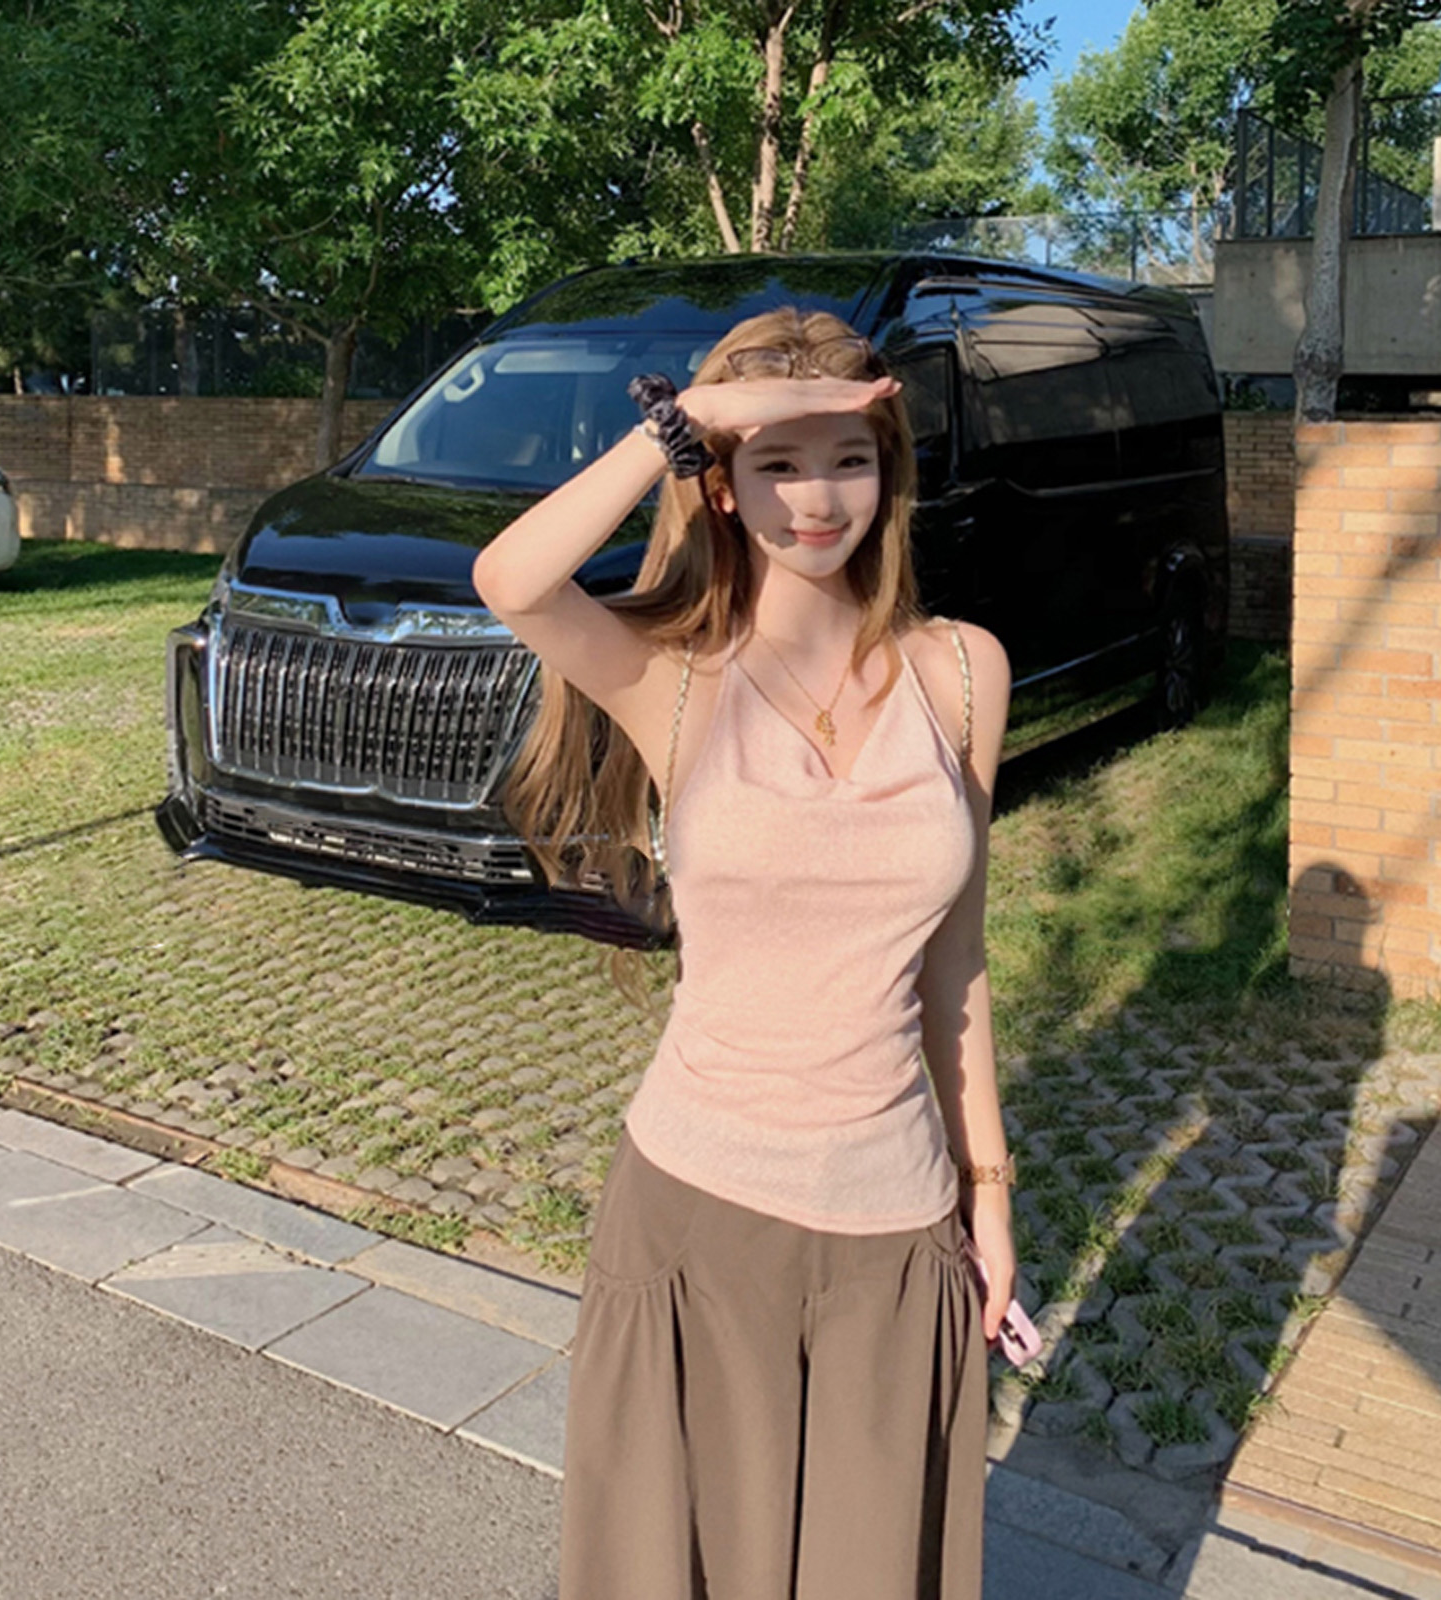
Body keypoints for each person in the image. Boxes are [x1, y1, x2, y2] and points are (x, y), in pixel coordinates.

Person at [471, 307, 1016, 1600]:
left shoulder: (963, 674)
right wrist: (690, 422)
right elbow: (513, 580)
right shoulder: (671, 676)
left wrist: (990, 1197)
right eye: (778, 462)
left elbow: (958, 965)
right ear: (722, 484)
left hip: (895, 1224)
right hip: (696, 1215)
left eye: (848, 458)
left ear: (889, 473)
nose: (818, 499)